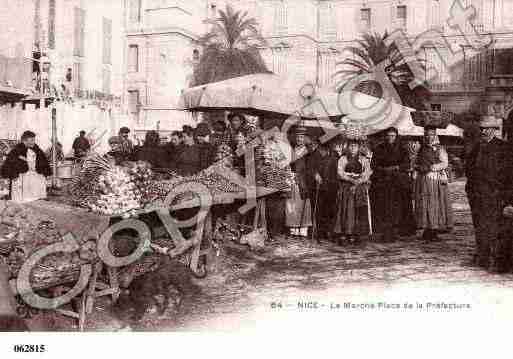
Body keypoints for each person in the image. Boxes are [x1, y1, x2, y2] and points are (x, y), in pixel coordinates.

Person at [465, 116, 511, 271]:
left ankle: (495, 259)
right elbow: (469, 169)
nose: (483, 131)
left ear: (493, 130)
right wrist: (470, 189)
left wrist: (505, 197)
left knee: (495, 227)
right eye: (481, 129)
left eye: (486, 128)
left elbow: (508, 174)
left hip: (494, 195)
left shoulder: (503, 148)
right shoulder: (477, 147)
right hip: (477, 195)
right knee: (479, 226)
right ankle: (482, 255)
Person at [371, 127, 416, 242]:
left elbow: (406, 164)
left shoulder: (402, 149)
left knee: (399, 206)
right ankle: (386, 231)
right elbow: (374, 165)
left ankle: (400, 230)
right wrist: (384, 169)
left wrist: (397, 167)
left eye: (393, 136)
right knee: (385, 207)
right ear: (385, 136)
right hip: (384, 180)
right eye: (389, 136)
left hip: (398, 181)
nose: (390, 138)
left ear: (396, 136)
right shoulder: (379, 148)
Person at [414, 126, 453, 241]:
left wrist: (432, 167)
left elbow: (445, 163)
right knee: (424, 203)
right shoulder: (421, 149)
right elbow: (416, 162)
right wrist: (418, 167)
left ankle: (434, 229)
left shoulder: (440, 148)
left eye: (431, 135)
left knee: (434, 203)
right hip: (423, 179)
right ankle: (426, 229)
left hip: (434, 179)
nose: (429, 137)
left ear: (435, 135)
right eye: (426, 135)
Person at [334, 138, 372, 244]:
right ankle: (345, 233)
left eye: (355, 146)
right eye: (351, 146)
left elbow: (367, 173)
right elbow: (340, 172)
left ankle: (356, 234)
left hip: (359, 187)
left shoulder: (363, 159)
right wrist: (350, 179)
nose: (353, 148)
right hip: (346, 187)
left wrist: (358, 182)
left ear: (359, 148)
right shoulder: (343, 159)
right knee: (346, 210)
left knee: (357, 211)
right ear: (348, 147)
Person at [0, 131, 51, 203]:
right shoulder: (16, 151)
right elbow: (9, 164)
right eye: (31, 140)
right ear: (24, 140)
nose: (33, 142)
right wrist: (14, 175)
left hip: (35, 178)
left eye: (34, 140)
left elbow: (44, 162)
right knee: (20, 200)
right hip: (21, 178)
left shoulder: (37, 151)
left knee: (35, 199)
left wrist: (46, 173)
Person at [308, 142, 339, 241]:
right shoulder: (313, 155)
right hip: (317, 188)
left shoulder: (334, 155)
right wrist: (315, 175)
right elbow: (309, 168)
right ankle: (319, 232)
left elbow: (336, 171)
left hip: (331, 187)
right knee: (318, 210)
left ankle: (328, 231)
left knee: (330, 210)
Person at [286, 126, 312, 238]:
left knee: (303, 205)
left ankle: (303, 229)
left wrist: (302, 176)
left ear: (305, 138)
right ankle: (293, 229)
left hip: (303, 181)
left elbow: (311, 167)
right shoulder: (291, 149)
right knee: (292, 204)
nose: (299, 139)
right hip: (292, 180)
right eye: (298, 137)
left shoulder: (309, 151)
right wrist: (289, 173)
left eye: (302, 137)